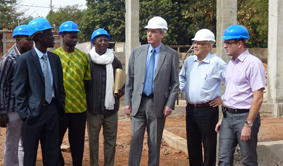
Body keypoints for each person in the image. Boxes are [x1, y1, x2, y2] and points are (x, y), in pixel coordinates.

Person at [124, 16, 179, 166]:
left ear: (162, 34)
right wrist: (127, 102)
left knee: (154, 142)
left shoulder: (171, 55)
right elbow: (130, 80)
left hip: (158, 104)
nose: (149, 34)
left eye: (153, 32)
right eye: (148, 31)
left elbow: (175, 83)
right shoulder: (137, 52)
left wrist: (169, 104)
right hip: (138, 103)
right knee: (135, 140)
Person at [14, 17, 65, 166]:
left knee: (52, 155)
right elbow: (19, 91)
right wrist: (25, 114)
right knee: (30, 156)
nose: (54, 37)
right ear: (41, 37)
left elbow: (59, 87)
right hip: (33, 114)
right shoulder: (24, 60)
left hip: (52, 111)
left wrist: (59, 108)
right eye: (50, 35)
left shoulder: (55, 59)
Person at [215, 25, 265, 166]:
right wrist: (221, 119)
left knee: (248, 160)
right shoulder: (231, 64)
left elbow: (258, 98)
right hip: (227, 118)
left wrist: (248, 124)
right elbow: (229, 94)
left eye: (228, 43)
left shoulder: (253, 64)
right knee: (223, 160)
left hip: (245, 117)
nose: (225, 46)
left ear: (240, 43)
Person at [179, 29, 227, 166]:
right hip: (191, 110)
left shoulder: (217, 63)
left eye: (199, 43)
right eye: (195, 43)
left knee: (209, 146)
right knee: (192, 145)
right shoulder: (189, 62)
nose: (195, 46)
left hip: (208, 110)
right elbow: (181, 77)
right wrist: (186, 92)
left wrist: (223, 98)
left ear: (209, 46)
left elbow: (233, 81)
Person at [52, 21, 91, 166]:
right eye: (71, 37)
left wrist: (86, 105)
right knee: (55, 141)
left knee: (77, 142)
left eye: (76, 37)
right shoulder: (54, 56)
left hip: (79, 108)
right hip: (59, 109)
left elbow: (87, 82)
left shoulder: (83, 57)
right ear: (62, 36)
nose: (75, 39)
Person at [85, 28, 124, 166]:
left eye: (106, 40)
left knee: (110, 141)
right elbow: (84, 84)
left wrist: (121, 91)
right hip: (93, 109)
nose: (103, 43)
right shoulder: (87, 60)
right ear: (93, 42)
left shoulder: (115, 61)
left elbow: (122, 81)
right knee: (93, 141)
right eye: (100, 40)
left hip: (111, 109)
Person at [0, 24, 33, 166]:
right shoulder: (9, 59)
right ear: (18, 40)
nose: (31, 41)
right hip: (13, 109)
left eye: (32, 39)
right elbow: (1, 86)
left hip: (28, 109)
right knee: (12, 144)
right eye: (27, 38)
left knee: (26, 144)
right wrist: (2, 111)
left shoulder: (30, 58)